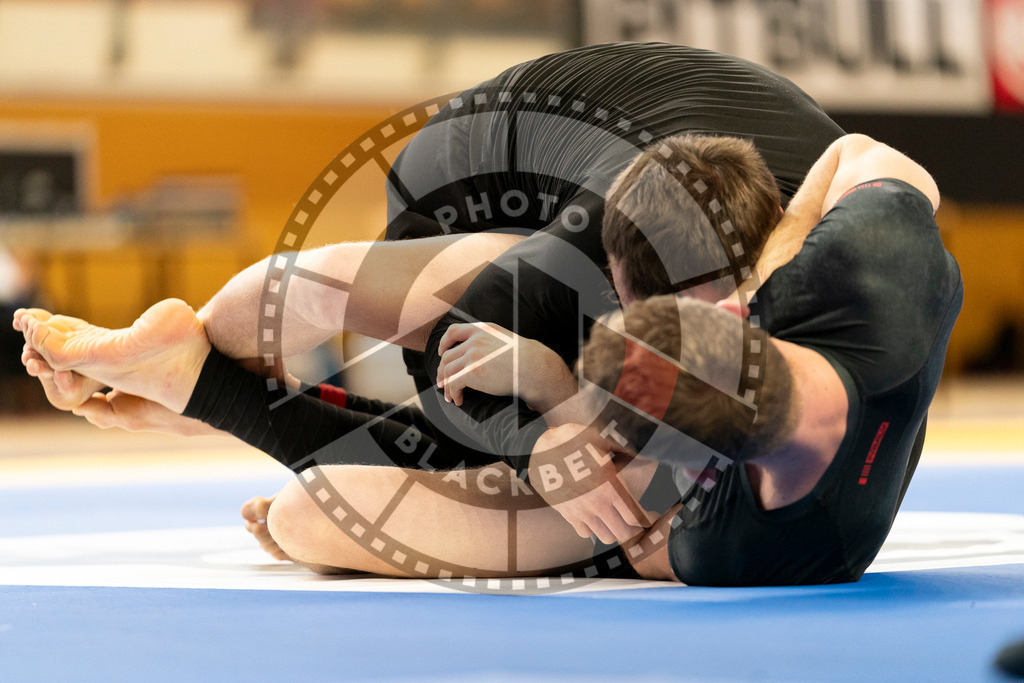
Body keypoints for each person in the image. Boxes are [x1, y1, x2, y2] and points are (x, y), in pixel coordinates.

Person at [14, 43, 851, 579]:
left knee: (568, 459)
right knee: (493, 404)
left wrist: (569, 411)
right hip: (468, 165)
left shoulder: (814, 275)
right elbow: (456, 404)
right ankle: (203, 376)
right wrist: (561, 421)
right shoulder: (555, 275)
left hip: (662, 143)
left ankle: (197, 380)